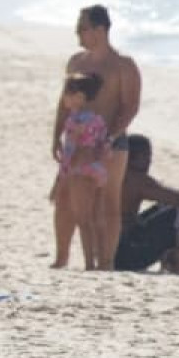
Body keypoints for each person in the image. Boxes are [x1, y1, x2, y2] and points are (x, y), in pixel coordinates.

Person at [56, 5, 141, 271]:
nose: (77, 33)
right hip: (76, 143)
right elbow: (63, 103)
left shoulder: (122, 66)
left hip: (111, 143)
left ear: (100, 29)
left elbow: (130, 107)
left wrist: (109, 137)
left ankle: (106, 262)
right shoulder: (76, 62)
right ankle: (61, 258)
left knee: (107, 202)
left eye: (82, 28)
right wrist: (55, 135)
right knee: (66, 198)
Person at [116, 136, 179, 275]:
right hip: (127, 254)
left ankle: (178, 260)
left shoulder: (113, 176)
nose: (149, 161)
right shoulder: (135, 179)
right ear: (133, 157)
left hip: (113, 252)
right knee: (178, 213)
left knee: (165, 209)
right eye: (146, 156)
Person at [51, 72, 111, 270]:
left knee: (82, 218)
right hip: (95, 170)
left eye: (68, 94)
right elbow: (105, 146)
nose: (64, 98)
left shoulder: (76, 120)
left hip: (79, 170)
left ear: (79, 97)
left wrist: (60, 179)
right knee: (90, 217)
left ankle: (88, 264)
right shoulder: (97, 119)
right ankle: (91, 261)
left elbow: (70, 150)